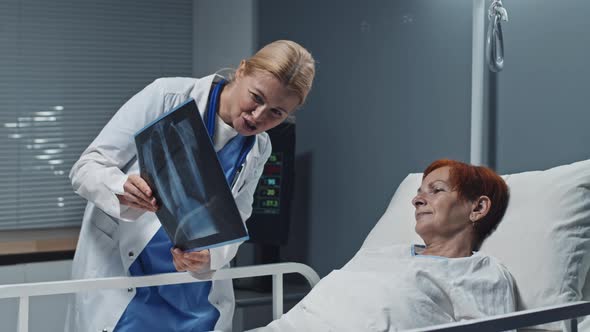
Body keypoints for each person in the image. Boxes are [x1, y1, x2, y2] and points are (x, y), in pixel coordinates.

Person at [65, 40, 315, 332]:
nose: (258, 116)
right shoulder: (166, 97)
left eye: (276, 113)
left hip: (191, 294)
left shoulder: (259, 148)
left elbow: (238, 223)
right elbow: (86, 168)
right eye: (256, 98)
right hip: (126, 278)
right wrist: (121, 187)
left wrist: (210, 257)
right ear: (242, 71)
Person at [251, 159, 515, 331]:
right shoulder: (379, 254)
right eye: (419, 192)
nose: (417, 200)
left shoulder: (479, 272)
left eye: (436, 190)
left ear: (478, 208)